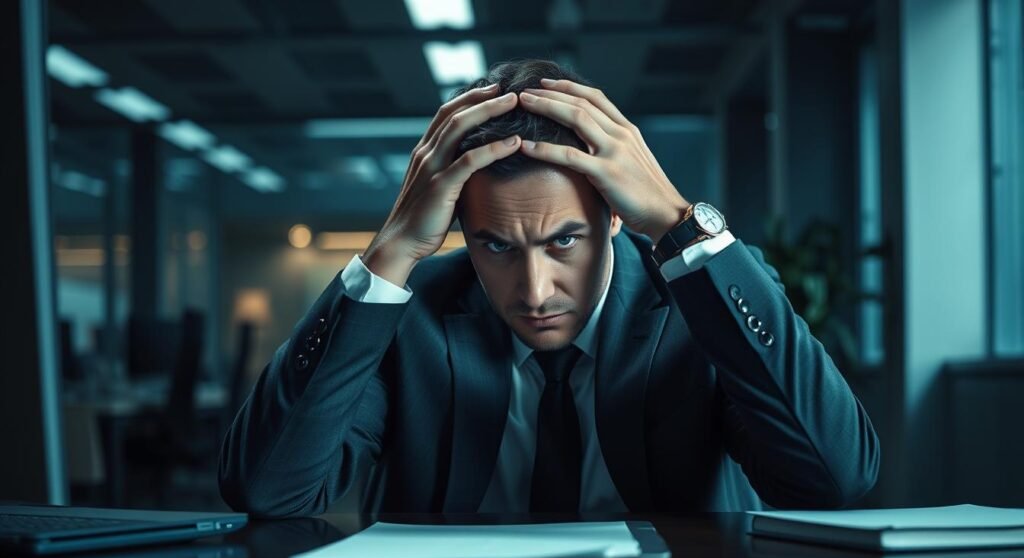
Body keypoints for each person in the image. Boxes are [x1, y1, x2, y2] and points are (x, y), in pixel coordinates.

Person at [218, 59, 880, 518]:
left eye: (563, 240)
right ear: (462, 233)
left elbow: (834, 480)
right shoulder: (410, 313)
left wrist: (682, 226)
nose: (534, 290)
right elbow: (270, 490)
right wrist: (390, 253)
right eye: (496, 246)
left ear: (615, 215)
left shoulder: (699, 300)